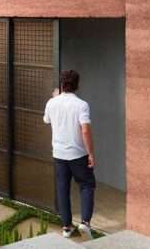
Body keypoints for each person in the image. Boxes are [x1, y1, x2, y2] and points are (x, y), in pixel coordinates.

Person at [43, 69, 96, 239]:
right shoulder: (81, 105)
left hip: (59, 154)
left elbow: (47, 120)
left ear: (61, 84)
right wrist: (91, 153)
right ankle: (85, 223)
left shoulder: (52, 103)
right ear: (77, 85)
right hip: (78, 154)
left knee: (62, 189)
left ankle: (66, 227)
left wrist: (55, 98)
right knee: (87, 185)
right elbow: (85, 130)